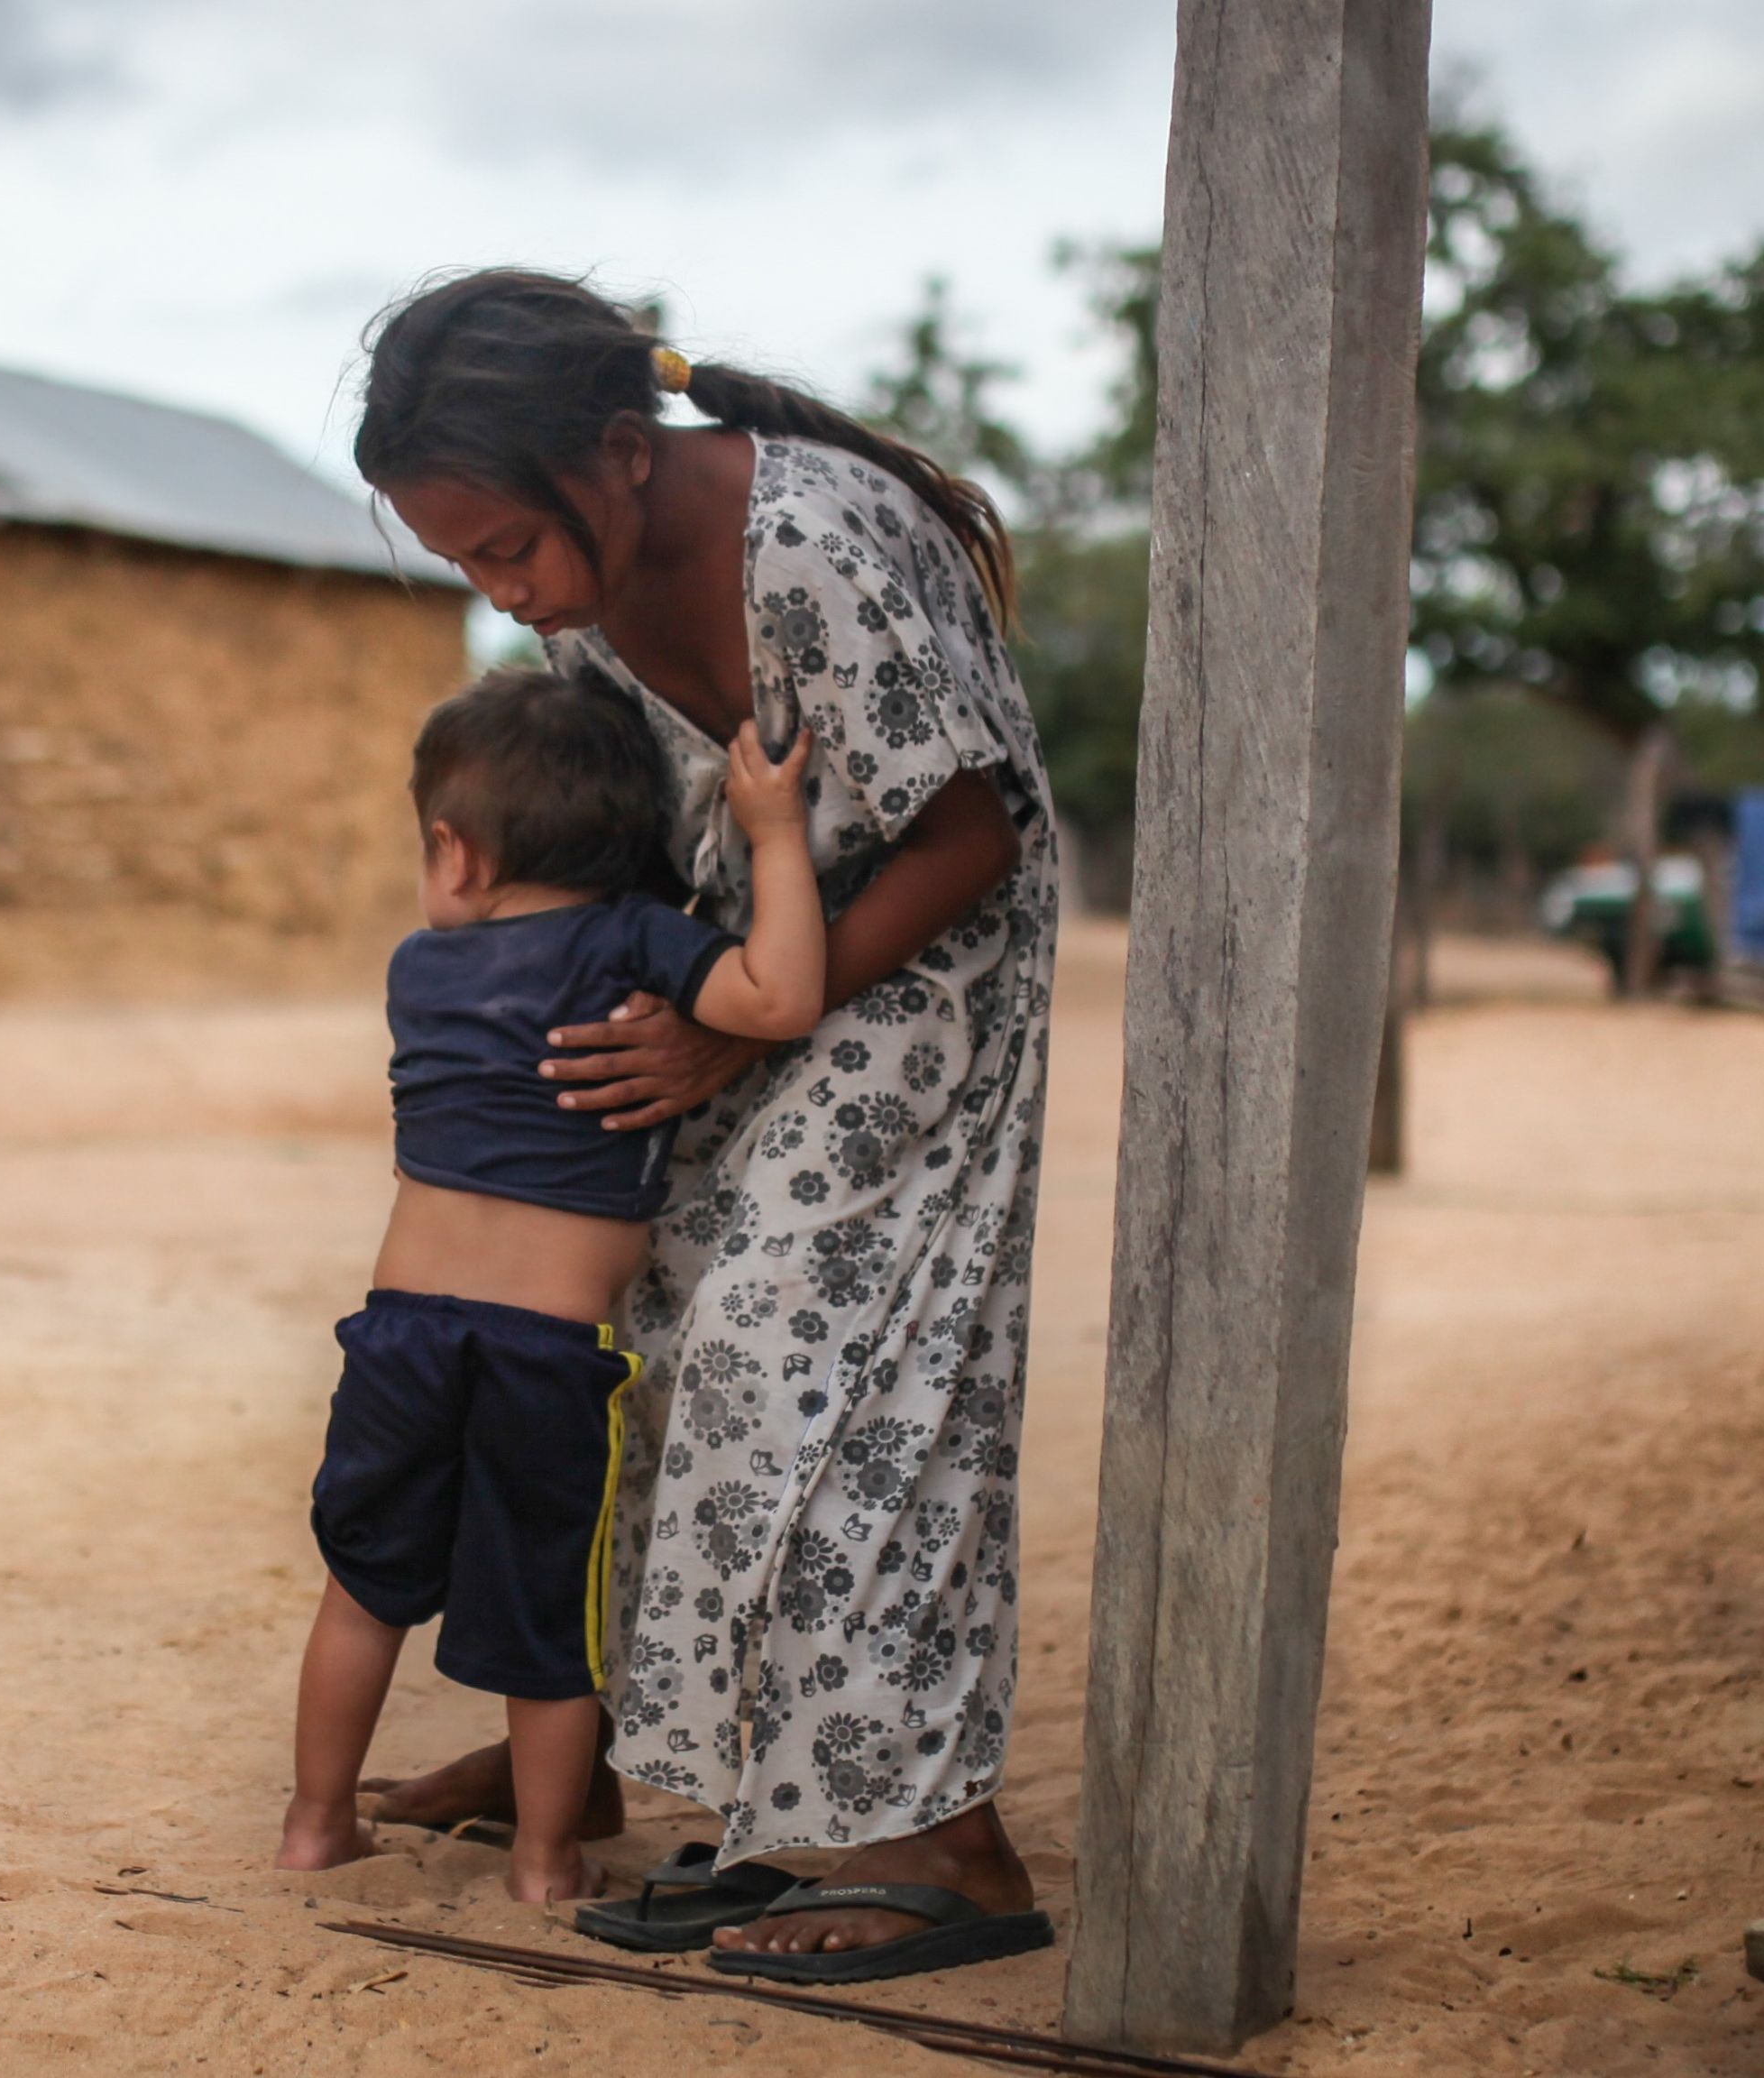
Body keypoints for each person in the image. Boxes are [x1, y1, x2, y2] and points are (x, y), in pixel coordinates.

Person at [348, 270, 1061, 1984]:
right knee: (638, 1350)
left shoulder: (808, 542)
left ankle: (948, 1849)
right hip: (720, 993)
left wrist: (737, 1037)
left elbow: (972, 829)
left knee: (807, 1369)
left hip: (908, 984)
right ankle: (618, 1759)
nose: (502, 594)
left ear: (616, 454)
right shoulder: (584, 587)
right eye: (464, 568)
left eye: (507, 550)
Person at [281, 666, 822, 1907]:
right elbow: (783, 994)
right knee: (549, 1623)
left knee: (363, 1592)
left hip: (400, 1338)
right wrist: (777, 835)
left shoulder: (421, 967)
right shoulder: (635, 943)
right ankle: (543, 1860)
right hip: (543, 1352)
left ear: (454, 854)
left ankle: (315, 1828)